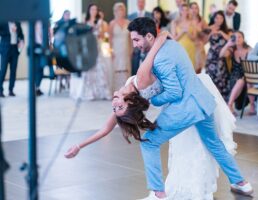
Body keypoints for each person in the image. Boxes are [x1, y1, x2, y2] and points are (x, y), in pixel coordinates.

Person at [65, 30, 245, 199]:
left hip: (188, 98)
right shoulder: (140, 79)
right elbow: (106, 128)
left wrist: (79, 146)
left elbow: (106, 128)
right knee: (211, 142)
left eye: (115, 108)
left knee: (206, 143)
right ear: (129, 102)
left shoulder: (136, 86)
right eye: (118, 108)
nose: (114, 106)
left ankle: (161, 192)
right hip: (192, 98)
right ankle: (240, 182)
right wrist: (163, 35)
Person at [69, 4, 111, 100]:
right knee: (88, 71)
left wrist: (98, 26)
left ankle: (101, 92)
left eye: (95, 9)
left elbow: (102, 36)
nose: (94, 11)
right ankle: (89, 92)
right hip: (88, 48)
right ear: (89, 10)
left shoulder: (100, 22)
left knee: (100, 68)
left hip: (97, 47)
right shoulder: (85, 21)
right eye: (92, 9)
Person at [219, 31, 256, 115]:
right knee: (240, 81)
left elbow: (255, 61)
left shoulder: (249, 49)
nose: (238, 39)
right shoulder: (232, 50)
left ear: (243, 38)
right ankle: (230, 105)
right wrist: (228, 44)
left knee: (247, 81)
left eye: (240, 37)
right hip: (234, 76)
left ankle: (251, 107)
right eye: (235, 37)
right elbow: (221, 55)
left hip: (248, 74)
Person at [205, 10, 231, 101]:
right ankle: (211, 100)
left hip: (222, 57)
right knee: (211, 78)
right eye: (217, 18)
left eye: (221, 18)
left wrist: (221, 33)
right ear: (214, 18)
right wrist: (210, 34)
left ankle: (222, 102)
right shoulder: (209, 28)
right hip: (212, 57)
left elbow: (230, 40)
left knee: (222, 78)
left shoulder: (225, 30)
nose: (219, 20)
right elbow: (204, 42)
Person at [109, 2, 131, 91]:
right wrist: (111, 51)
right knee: (116, 69)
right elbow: (109, 39)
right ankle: (116, 90)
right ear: (115, 11)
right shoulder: (112, 23)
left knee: (126, 69)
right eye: (118, 10)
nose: (120, 12)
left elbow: (130, 38)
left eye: (122, 10)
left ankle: (126, 90)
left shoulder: (128, 23)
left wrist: (131, 50)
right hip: (116, 49)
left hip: (126, 49)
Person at [128, 0, 152, 76]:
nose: (140, 4)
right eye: (139, 2)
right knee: (135, 66)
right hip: (135, 46)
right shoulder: (130, 16)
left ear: (145, 3)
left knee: (147, 66)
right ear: (137, 4)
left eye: (142, 2)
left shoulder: (150, 15)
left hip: (147, 45)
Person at [0, 22, 24, 97]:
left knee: (13, 70)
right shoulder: (3, 22)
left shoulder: (17, 23)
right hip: (5, 49)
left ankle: (11, 90)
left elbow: (21, 36)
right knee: (3, 70)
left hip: (14, 49)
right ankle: (0, 90)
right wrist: (10, 30)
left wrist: (21, 43)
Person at [171, 3, 196, 69]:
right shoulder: (175, 22)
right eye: (183, 10)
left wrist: (188, 32)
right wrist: (182, 32)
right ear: (180, 11)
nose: (184, 12)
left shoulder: (192, 22)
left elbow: (194, 38)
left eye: (186, 10)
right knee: (180, 70)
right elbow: (173, 39)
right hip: (179, 49)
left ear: (188, 11)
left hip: (190, 48)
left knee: (190, 70)